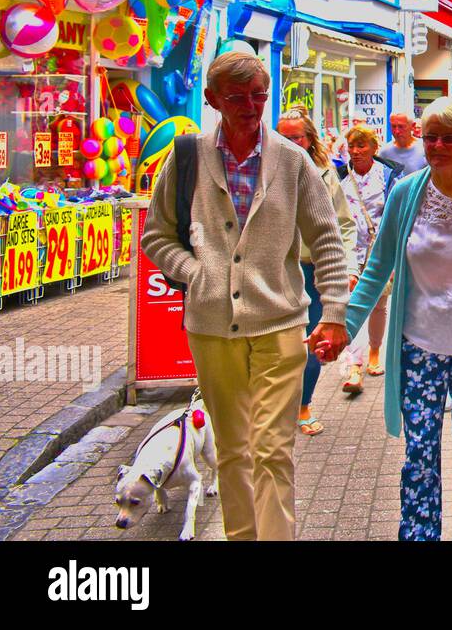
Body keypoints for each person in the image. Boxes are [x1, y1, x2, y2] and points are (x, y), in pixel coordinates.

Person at [141, 52, 350, 541]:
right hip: (212, 331)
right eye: (236, 97)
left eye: (258, 94)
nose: (250, 106)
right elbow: (156, 236)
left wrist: (335, 312)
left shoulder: (293, 160)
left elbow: (327, 241)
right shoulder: (187, 156)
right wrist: (194, 272)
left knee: (272, 450)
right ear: (213, 100)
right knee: (233, 450)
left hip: (279, 325)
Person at [309, 97, 452, 541]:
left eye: (450, 137)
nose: (438, 146)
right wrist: (342, 326)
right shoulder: (407, 193)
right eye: (431, 137)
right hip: (420, 348)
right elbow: (377, 267)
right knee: (419, 458)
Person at [277, 109, 359, 435]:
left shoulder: (325, 175)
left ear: (309, 139)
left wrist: (349, 266)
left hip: (312, 272)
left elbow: (344, 225)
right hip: (277, 272)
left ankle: (303, 404)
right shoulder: (265, 173)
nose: (291, 143)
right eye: (284, 137)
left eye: (297, 136)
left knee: (311, 341)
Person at [336, 123, 400, 394]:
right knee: (348, 304)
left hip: (379, 252)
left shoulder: (388, 176)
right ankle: (354, 364)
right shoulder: (339, 176)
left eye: (362, 146)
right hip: (349, 251)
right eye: (352, 146)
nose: (356, 151)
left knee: (378, 305)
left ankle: (375, 351)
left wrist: (396, 258)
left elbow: (395, 217)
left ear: (374, 148)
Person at [380, 113, 426, 177]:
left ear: (412, 126)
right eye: (393, 126)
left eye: (401, 127)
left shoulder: (425, 148)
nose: (397, 131)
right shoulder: (384, 152)